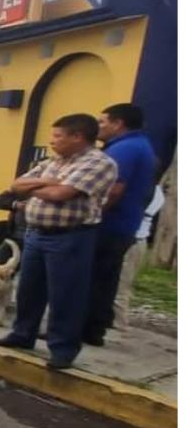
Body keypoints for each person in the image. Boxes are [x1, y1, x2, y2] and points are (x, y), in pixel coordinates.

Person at [0, 114, 118, 370]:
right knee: (29, 289)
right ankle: (22, 334)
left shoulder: (99, 163)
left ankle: (62, 348)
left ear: (77, 137)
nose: (52, 141)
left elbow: (62, 194)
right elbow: (16, 184)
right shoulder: (55, 162)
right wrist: (48, 182)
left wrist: (37, 188)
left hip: (70, 236)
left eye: (58, 136)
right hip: (36, 233)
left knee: (65, 294)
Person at [81, 104, 158, 346]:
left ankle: (76, 328)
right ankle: (93, 330)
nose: (99, 127)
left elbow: (113, 190)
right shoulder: (143, 147)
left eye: (103, 122)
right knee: (105, 279)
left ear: (118, 123)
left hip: (108, 224)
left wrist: (93, 215)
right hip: (125, 225)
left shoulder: (124, 149)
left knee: (87, 278)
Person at [113, 185, 164, 328]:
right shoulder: (155, 190)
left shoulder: (152, 190)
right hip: (135, 238)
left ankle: (118, 322)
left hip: (134, 238)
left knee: (121, 285)